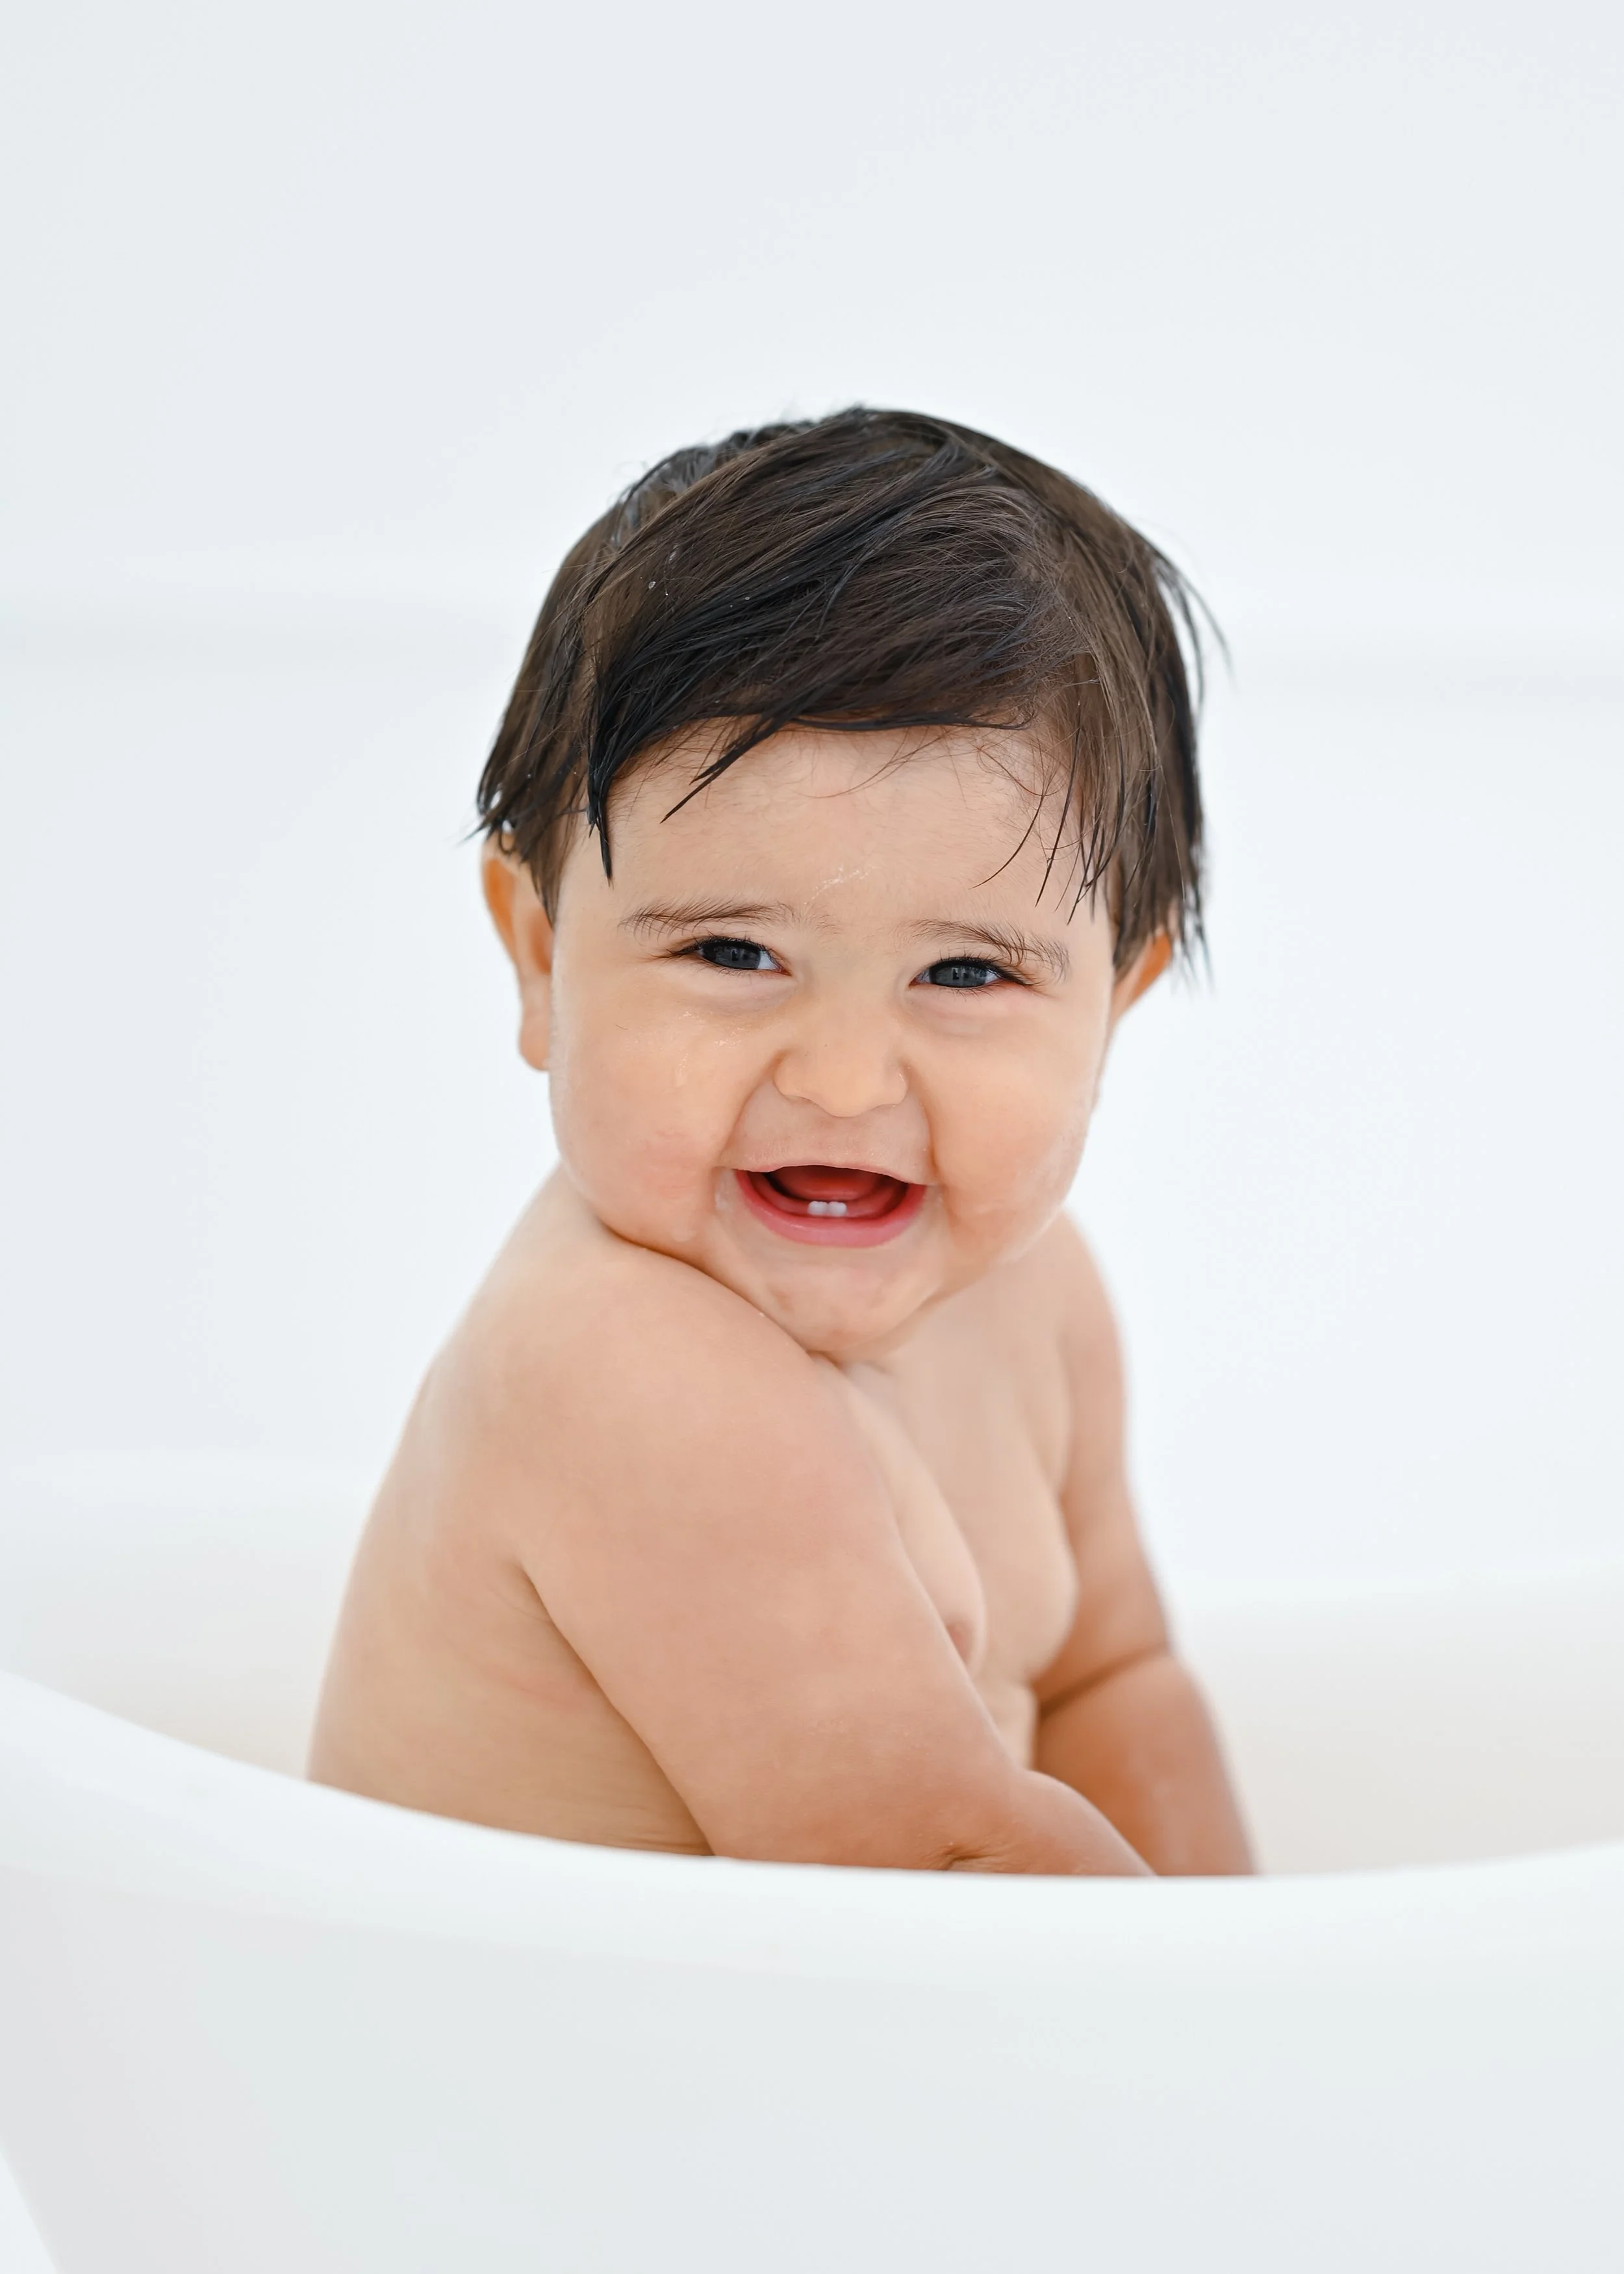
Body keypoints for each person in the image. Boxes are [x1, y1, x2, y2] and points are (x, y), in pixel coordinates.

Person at [309, 409, 1253, 1876]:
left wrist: (1256, 1938)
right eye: (734, 953)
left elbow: (1105, 1682)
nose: (840, 1081)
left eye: (965, 973)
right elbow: (932, 1871)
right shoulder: (628, 1374)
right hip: (513, 2029)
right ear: (542, 958)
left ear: (1113, 1003)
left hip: (825, 2022)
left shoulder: (1037, 1299)